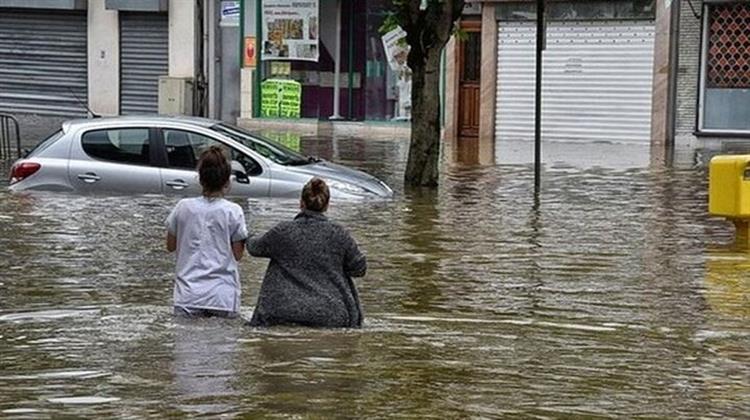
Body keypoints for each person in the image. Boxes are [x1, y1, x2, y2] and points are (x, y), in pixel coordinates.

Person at [247, 177, 367, 328]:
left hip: (281, 311)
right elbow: (359, 268)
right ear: (327, 205)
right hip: (330, 314)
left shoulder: (282, 231)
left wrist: (249, 234)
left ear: (301, 203)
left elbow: (254, 248)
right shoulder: (339, 234)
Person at [165, 146, 248, 318]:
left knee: (187, 343)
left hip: (188, 294)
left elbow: (170, 246)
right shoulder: (234, 211)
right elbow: (238, 255)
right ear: (227, 180)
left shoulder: (183, 207)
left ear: (200, 179)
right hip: (222, 296)